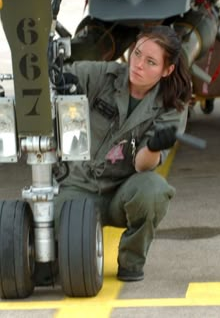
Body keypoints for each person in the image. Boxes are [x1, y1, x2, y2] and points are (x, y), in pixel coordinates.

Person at [54, 25, 192, 282]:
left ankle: (131, 262)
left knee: (153, 189)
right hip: (79, 187)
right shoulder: (103, 75)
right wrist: (61, 82)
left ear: (167, 70)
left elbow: (142, 166)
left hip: (121, 194)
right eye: (137, 53)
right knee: (49, 272)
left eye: (151, 62)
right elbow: (58, 76)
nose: (138, 64)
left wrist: (153, 147)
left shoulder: (172, 107)